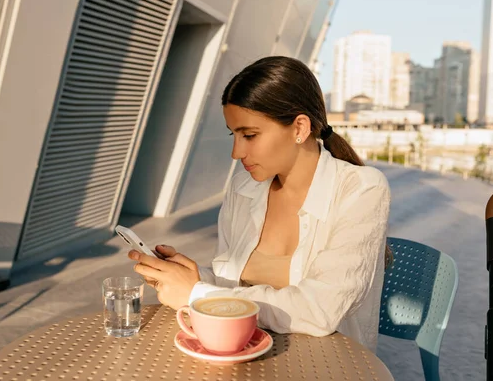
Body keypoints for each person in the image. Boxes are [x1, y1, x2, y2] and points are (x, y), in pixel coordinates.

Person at [128, 56, 391, 351]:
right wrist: (191, 276)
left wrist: (197, 294)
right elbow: (233, 288)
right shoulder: (244, 187)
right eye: (234, 134)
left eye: (249, 135)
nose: (236, 152)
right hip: (246, 350)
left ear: (299, 128)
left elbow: (320, 311)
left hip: (326, 362)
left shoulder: (361, 189)